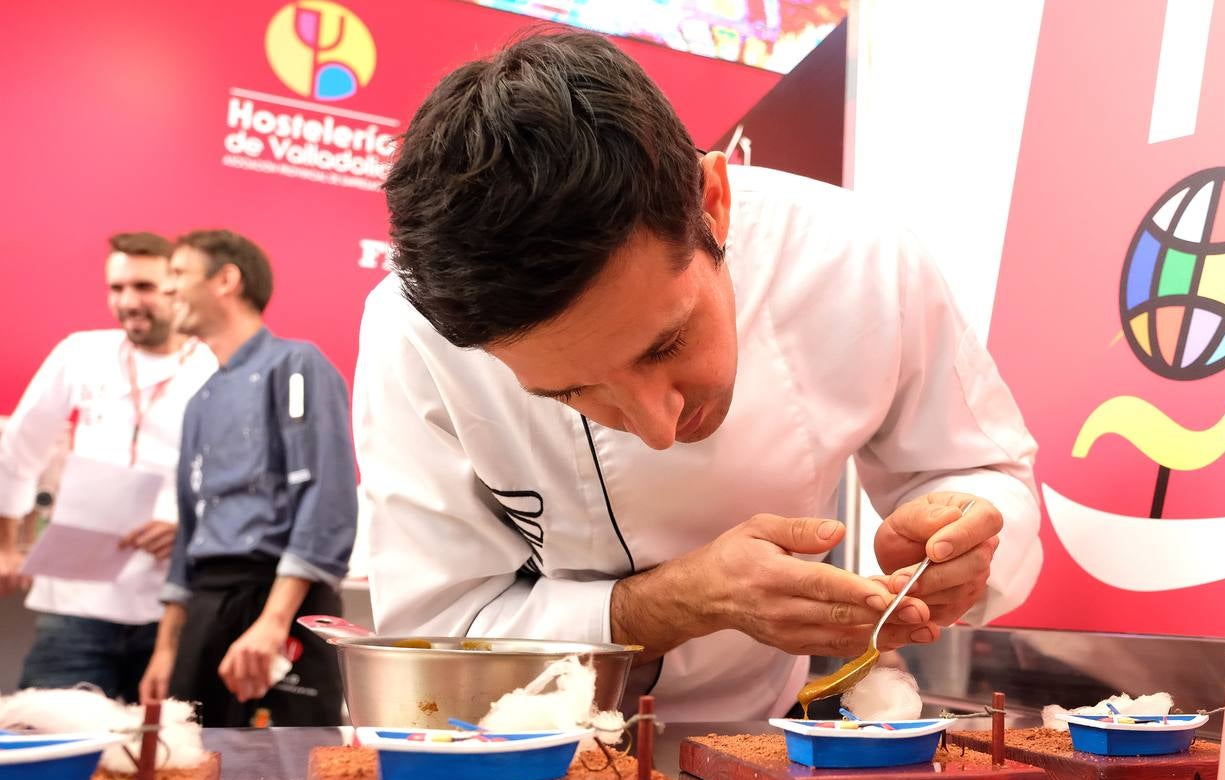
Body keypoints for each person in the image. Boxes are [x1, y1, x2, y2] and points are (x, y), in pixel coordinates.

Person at [354, 31, 1042, 720]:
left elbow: (978, 468)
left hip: (759, 738)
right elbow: (438, 638)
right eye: (569, 394)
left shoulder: (857, 258)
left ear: (711, 202)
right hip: (511, 747)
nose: (658, 429)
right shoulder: (413, 335)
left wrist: (958, 539)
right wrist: (678, 601)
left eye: (665, 345)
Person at [138, 229, 356, 727]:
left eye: (177, 274)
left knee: (283, 775)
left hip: (280, 602)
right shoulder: (200, 401)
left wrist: (274, 623)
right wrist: (167, 648)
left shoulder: (297, 366)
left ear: (226, 280)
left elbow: (326, 498)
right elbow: (189, 530)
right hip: (207, 606)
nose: (167, 290)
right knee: (191, 760)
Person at [0, 232, 216, 700]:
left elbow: (243, 481)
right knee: (49, 741)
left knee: (166, 757)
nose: (128, 302)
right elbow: (20, 447)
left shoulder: (215, 367)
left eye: (143, 287)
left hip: (173, 606)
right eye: (116, 288)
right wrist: (8, 545)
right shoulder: (81, 352)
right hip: (76, 603)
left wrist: (188, 527)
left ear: (176, 286)